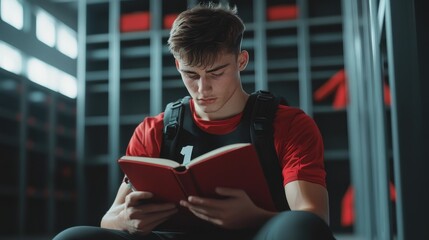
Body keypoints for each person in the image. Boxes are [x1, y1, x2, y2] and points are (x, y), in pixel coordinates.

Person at [54, 2, 335, 240]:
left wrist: (253, 217)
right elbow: (108, 218)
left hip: (257, 234)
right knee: (73, 237)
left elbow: (313, 218)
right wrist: (126, 220)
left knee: (300, 227)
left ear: (241, 61)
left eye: (216, 72)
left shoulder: (289, 125)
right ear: (178, 66)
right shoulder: (154, 130)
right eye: (191, 74)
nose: (203, 89)